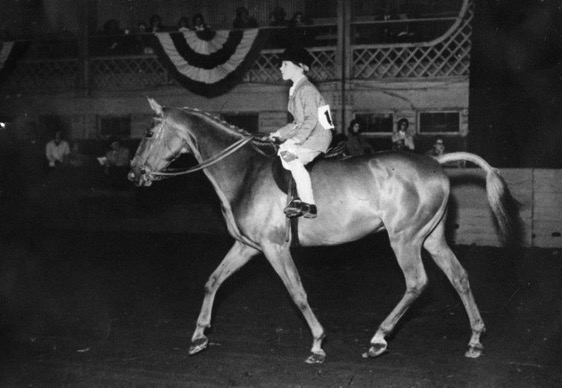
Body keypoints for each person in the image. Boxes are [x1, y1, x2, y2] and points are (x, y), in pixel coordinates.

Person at [269, 46, 332, 219]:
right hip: (310, 134)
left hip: (317, 137)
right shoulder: (297, 89)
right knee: (285, 154)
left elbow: (311, 120)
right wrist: (279, 133)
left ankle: (308, 203)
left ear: (298, 66)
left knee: (288, 153)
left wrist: (294, 140)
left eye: (285, 64)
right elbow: (297, 123)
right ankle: (297, 197)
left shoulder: (306, 90)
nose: (281, 68)